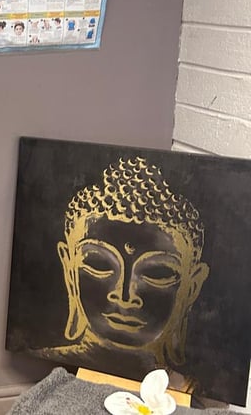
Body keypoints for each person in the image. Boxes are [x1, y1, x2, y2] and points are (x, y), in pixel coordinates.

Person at [39, 157, 209, 389]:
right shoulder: (49, 371)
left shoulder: (190, 389)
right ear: (70, 269)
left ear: (191, 287)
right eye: (99, 264)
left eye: (158, 273)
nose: (125, 295)